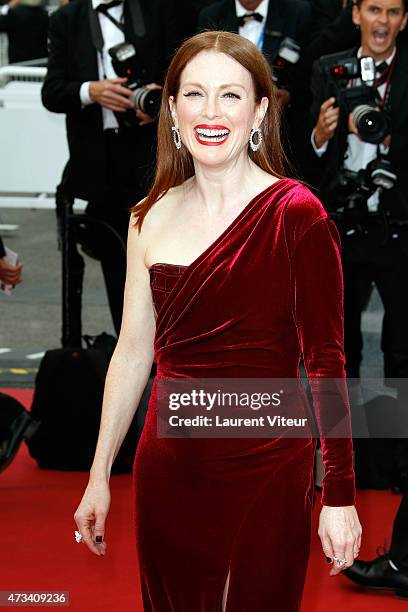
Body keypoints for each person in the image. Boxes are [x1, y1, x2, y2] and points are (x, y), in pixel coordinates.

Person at [73, 31, 362, 611]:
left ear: (259, 111)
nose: (210, 112)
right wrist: (99, 473)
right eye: (195, 94)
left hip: (269, 463)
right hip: (170, 467)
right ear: (172, 110)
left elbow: (326, 362)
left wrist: (340, 496)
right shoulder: (147, 217)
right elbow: (133, 353)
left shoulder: (296, 214)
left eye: (230, 96)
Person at [41, 0, 178, 336]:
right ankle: (132, 360)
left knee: (166, 267)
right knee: (118, 270)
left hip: (152, 159)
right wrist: (92, 91)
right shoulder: (67, 19)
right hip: (100, 165)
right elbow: (52, 92)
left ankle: (172, 356)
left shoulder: (153, 10)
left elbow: (178, 68)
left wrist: (161, 99)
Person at [0, 0, 48, 64]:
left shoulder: (13, 14)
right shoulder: (45, 15)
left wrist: (8, 7)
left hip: (18, 63)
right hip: (40, 62)